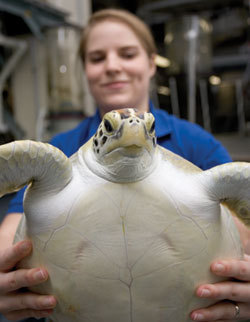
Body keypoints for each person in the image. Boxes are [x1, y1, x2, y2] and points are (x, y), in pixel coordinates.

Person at [0, 8, 249, 322]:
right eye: (97, 58)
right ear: (85, 71)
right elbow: (8, 236)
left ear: (150, 63)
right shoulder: (59, 151)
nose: (113, 66)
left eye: (127, 54)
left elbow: (243, 237)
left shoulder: (196, 143)